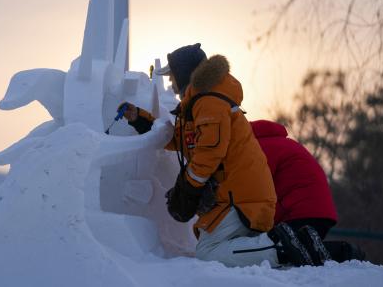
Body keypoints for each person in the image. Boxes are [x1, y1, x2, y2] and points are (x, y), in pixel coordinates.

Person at [122, 43, 331, 267]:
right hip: (236, 198)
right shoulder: (197, 105)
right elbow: (182, 142)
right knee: (214, 247)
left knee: (208, 253)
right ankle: (294, 247)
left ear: (184, 75)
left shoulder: (208, 102)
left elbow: (209, 153)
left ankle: (283, 248)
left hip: (241, 199)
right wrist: (141, 120)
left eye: (172, 77)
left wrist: (188, 187)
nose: (172, 85)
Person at [250, 120, 365, 262]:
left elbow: (256, 187)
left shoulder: (259, 148)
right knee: (303, 253)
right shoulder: (283, 143)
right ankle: (342, 253)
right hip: (321, 212)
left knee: (279, 250)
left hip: (298, 212)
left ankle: (344, 253)